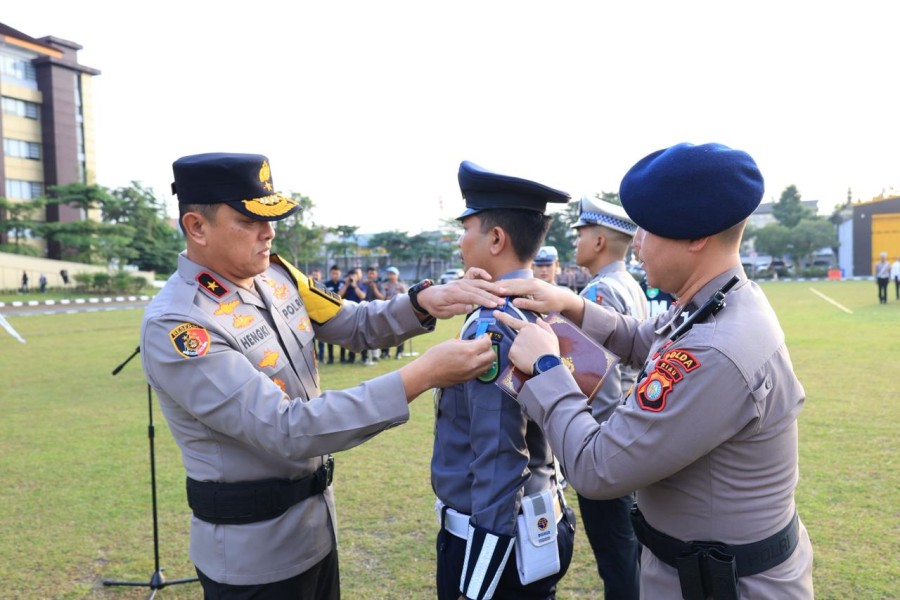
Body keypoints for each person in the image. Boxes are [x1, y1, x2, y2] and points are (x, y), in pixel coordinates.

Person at [140, 152, 505, 599]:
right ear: (197, 227)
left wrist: (421, 303)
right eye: (249, 220)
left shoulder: (275, 276)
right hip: (252, 555)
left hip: (314, 528)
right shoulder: (181, 325)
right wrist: (421, 375)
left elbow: (350, 323)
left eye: (270, 218)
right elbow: (286, 428)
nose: (268, 232)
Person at [494, 143, 814, 599]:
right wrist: (571, 304)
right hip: (698, 571)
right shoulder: (719, 300)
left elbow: (597, 468)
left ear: (696, 236)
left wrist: (546, 368)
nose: (637, 244)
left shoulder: (716, 349)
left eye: (648, 229)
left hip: (722, 585)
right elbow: (647, 339)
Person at [432, 160, 575, 600]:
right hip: (540, 516)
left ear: (495, 238)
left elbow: (499, 462)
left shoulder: (495, 326)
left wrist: (475, 586)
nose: (460, 241)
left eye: (467, 227)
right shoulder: (547, 306)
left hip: (497, 542)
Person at [570, 195, 649, 600]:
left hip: (606, 439)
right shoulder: (630, 284)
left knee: (616, 558)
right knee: (629, 553)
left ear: (599, 241)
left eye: (581, 233)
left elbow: (597, 378)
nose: (576, 240)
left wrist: (589, 445)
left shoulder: (599, 293)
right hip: (631, 430)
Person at [338, 267, 365, 363]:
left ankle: (364, 357)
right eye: (351, 276)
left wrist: (355, 285)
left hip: (359, 314)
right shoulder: (345, 286)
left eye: (354, 276)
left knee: (361, 336)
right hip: (346, 314)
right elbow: (338, 295)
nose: (352, 278)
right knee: (345, 336)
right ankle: (347, 357)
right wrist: (346, 285)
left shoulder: (360, 285)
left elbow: (362, 296)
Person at [380, 266, 408, 358]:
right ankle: (385, 352)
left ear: (397, 275)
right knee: (386, 332)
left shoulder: (401, 286)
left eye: (393, 274)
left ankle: (399, 352)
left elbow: (406, 298)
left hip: (399, 311)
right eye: (389, 274)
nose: (391, 276)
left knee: (400, 332)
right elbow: (382, 297)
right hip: (387, 310)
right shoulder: (384, 285)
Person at [362, 266, 385, 365]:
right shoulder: (363, 285)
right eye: (369, 273)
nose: (371, 275)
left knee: (376, 334)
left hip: (376, 312)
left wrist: (374, 288)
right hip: (365, 312)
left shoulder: (379, 285)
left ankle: (375, 355)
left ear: (376, 274)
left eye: (373, 273)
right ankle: (365, 356)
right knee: (364, 333)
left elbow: (382, 297)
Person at [323, 265, 345, 363]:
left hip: (343, 312)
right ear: (330, 274)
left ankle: (343, 357)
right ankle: (331, 358)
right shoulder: (325, 284)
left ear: (340, 273)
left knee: (343, 335)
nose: (335, 275)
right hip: (330, 313)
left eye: (337, 273)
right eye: (333, 273)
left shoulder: (344, 284)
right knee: (330, 336)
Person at [309, 268, 326, 362]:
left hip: (320, 316)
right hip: (310, 317)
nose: (315, 276)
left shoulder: (323, 287)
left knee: (322, 340)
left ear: (320, 275)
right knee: (312, 341)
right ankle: (315, 359)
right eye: (314, 274)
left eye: (317, 274)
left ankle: (322, 358)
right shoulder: (308, 285)